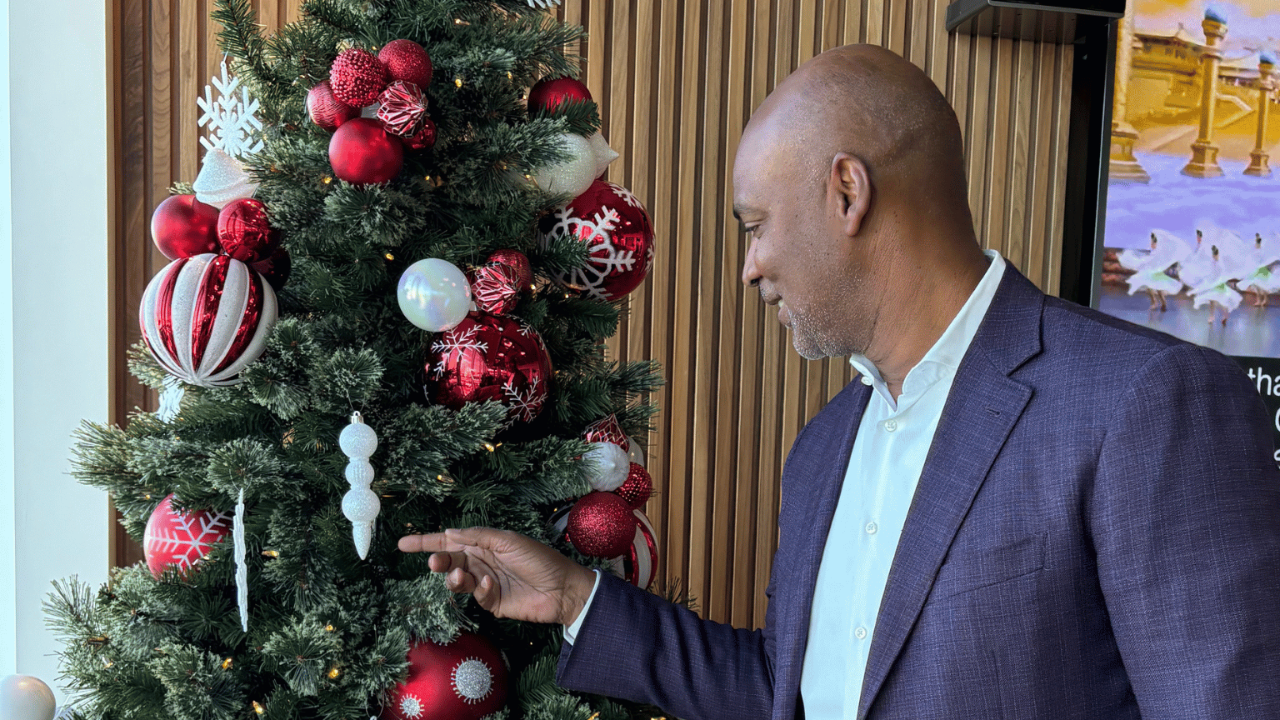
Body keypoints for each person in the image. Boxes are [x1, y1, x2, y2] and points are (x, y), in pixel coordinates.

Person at [400, 44, 1280, 719]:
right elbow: (788, 687)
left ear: (847, 193)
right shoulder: (823, 449)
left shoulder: (1145, 403)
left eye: (757, 225)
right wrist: (572, 597)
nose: (751, 268)